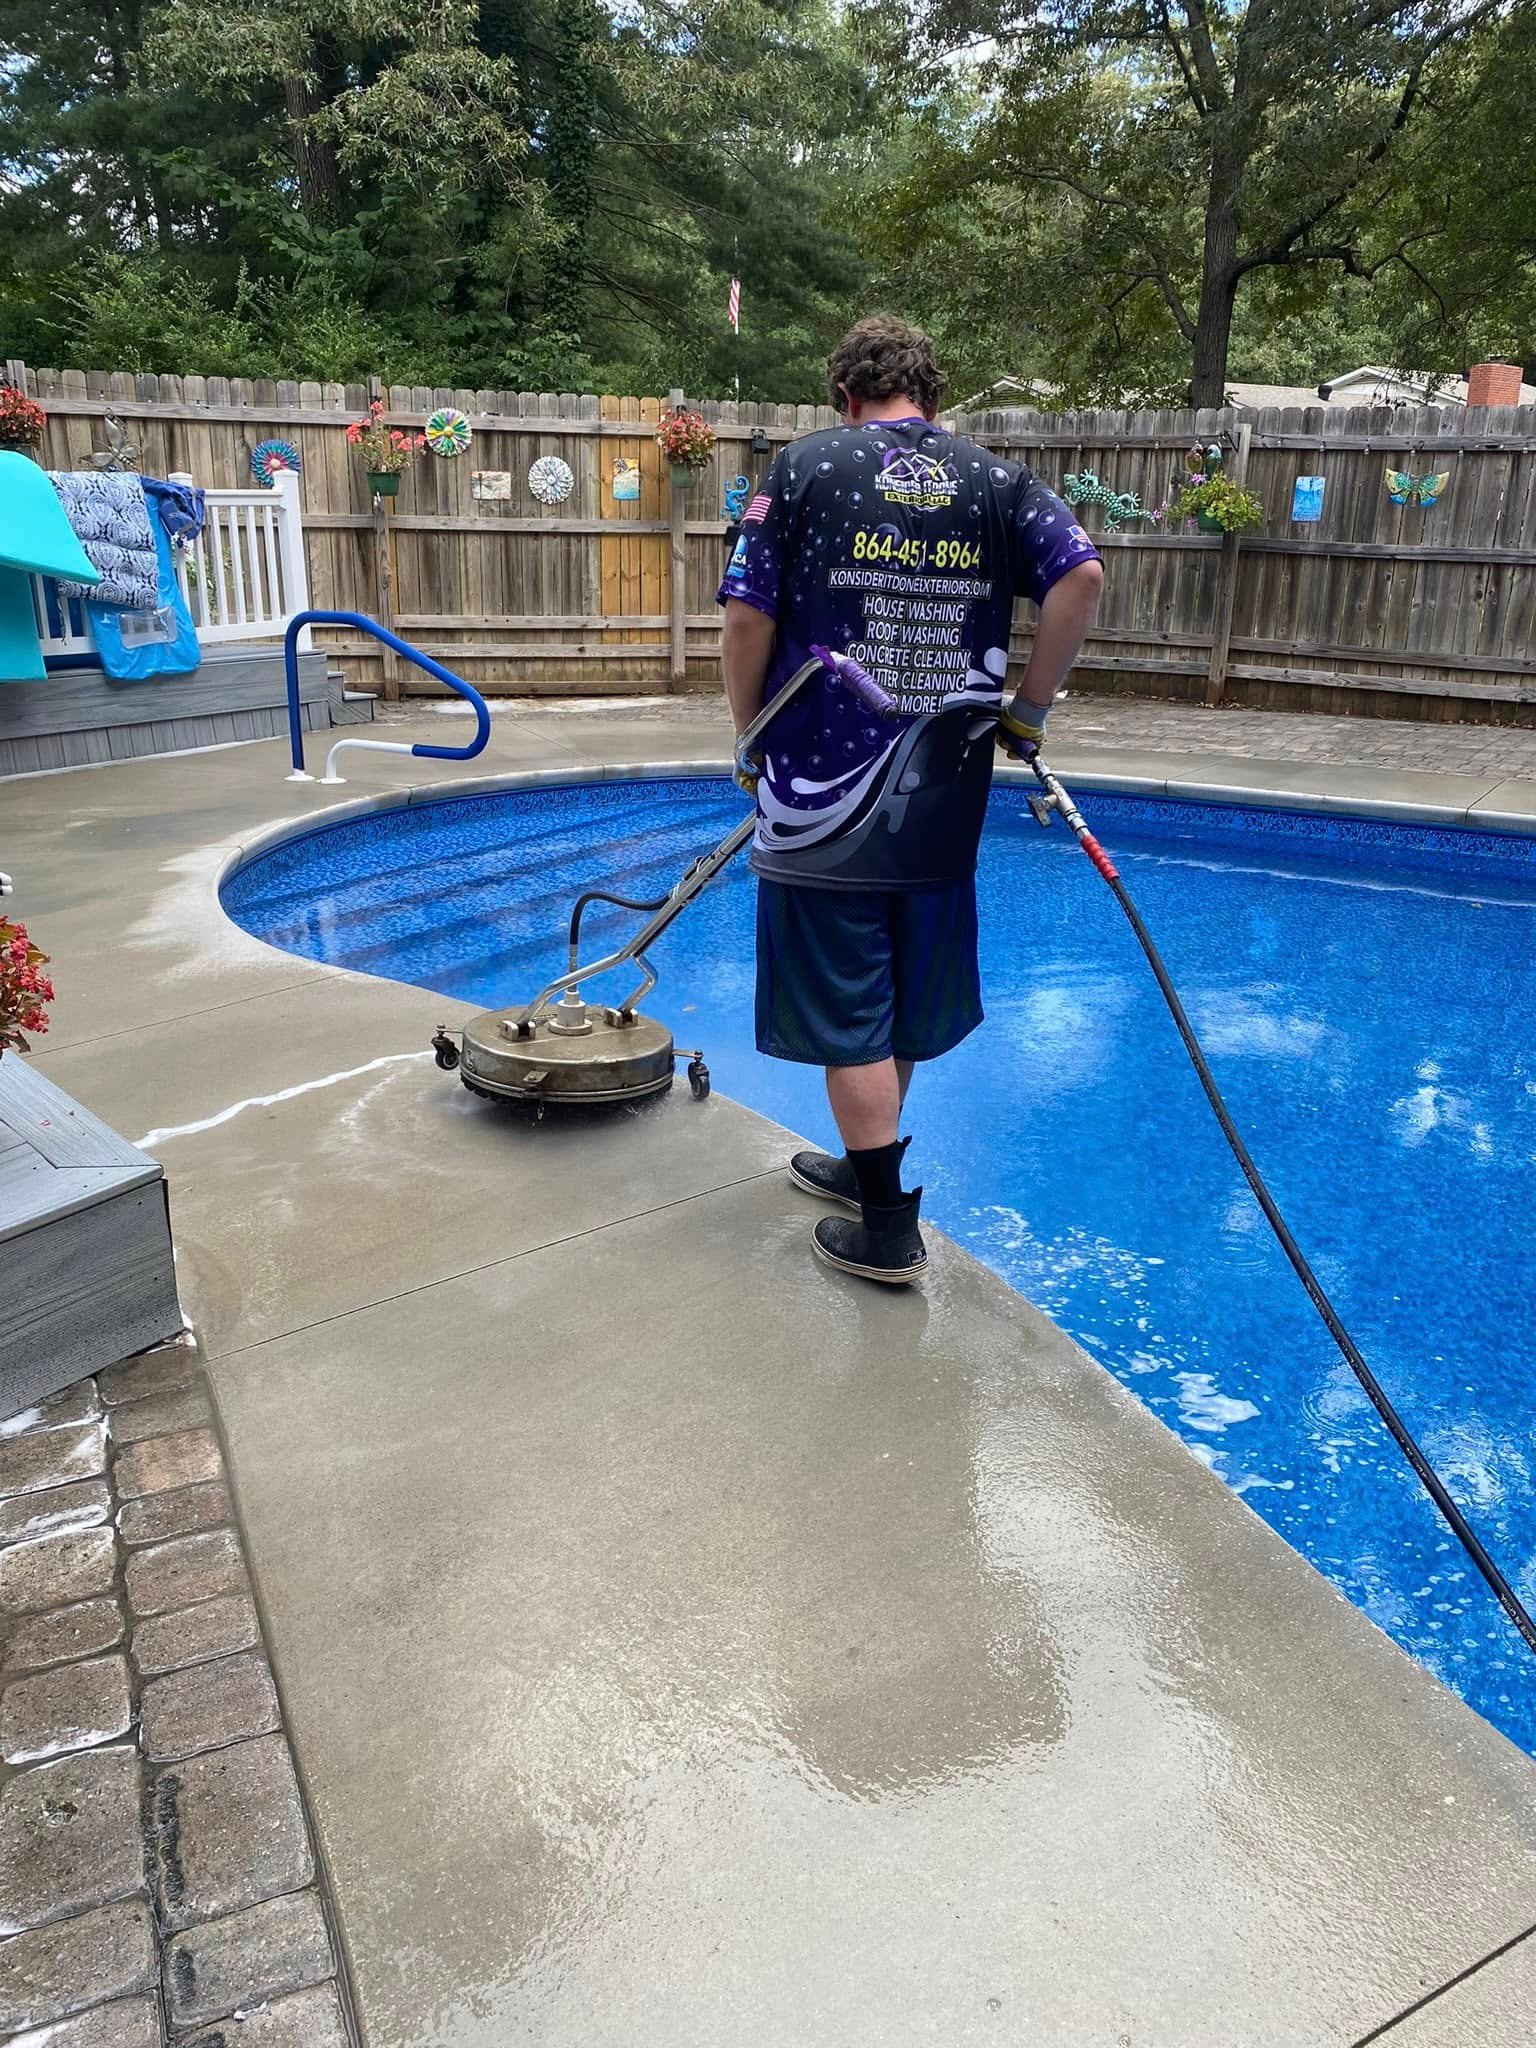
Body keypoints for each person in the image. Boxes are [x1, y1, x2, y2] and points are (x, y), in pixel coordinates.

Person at [718, 314, 1103, 1284]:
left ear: (844, 392)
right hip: (944, 787)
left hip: (819, 790)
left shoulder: (804, 468)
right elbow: (1081, 576)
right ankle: (864, 1162)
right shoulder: (996, 481)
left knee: (848, 999)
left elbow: (745, 616)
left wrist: (750, 732)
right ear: (931, 394)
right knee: (900, 983)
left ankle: (886, 1226)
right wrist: (1031, 709)